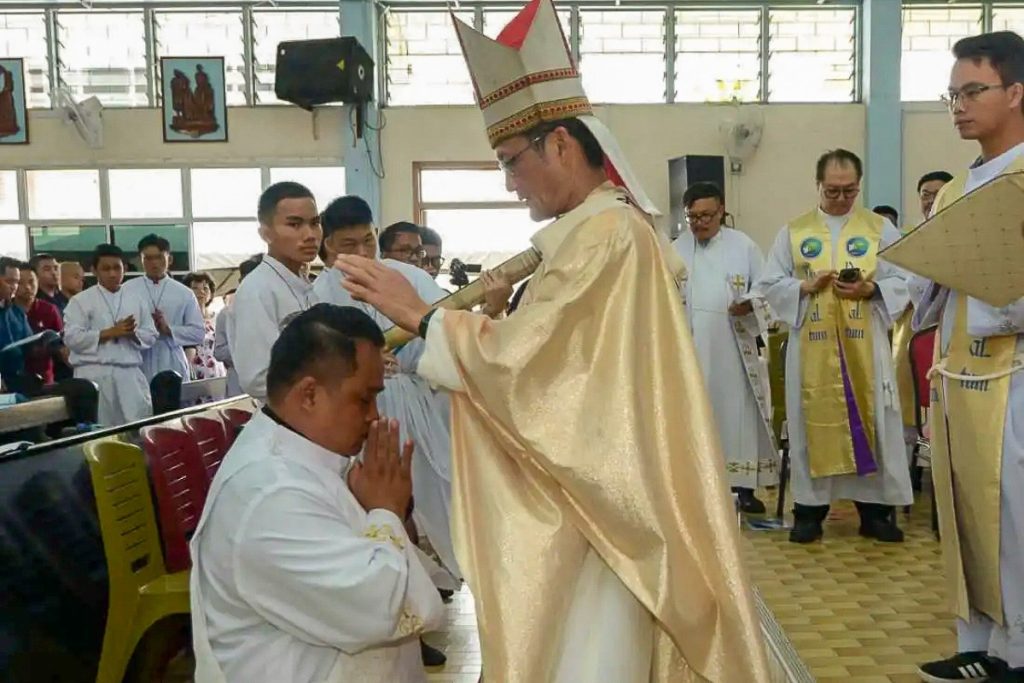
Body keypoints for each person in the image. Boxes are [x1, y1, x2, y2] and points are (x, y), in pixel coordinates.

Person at [337, 1, 769, 679]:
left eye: (512, 161)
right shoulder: (596, 236)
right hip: (587, 499)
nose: (511, 184)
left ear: (562, 145)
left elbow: (535, 373)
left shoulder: (607, 237)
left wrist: (424, 315)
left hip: (599, 514)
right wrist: (497, 323)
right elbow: (556, 363)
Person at [190, 304, 444, 683]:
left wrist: (387, 510)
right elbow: (379, 611)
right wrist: (386, 511)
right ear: (309, 394)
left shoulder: (313, 460)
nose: (374, 415)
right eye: (364, 398)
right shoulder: (269, 493)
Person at [911, 31, 1024, 683]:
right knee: (962, 508)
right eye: (951, 94)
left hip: (1012, 377)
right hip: (957, 376)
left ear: (1015, 92)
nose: (957, 104)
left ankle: (1018, 647)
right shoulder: (956, 189)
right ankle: (978, 638)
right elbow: (936, 287)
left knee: (1013, 511)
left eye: (971, 90)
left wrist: (986, 292)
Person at [756, 149, 913, 544]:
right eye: (833, 191)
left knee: (871, 417)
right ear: (818, 186)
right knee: (812, 421)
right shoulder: (794, 232)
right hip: (812, 348)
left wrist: (871, 288)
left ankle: (875, 511)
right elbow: (768, 283)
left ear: (859, 186)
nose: (841, 199)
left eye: (849, 191)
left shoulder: (879, 229)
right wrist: (803, 287)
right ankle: (810, 509)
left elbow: (909, 280)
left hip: (865, 348)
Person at [315, 196, 459, 581]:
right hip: (364, 410)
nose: (362, 253)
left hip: (416, 400)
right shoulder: (322, 293)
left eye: (368, 241)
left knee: (433, 495)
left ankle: (435, 579)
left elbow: (444, 327)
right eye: (349, 245)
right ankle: (398, 580)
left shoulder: (406, 277)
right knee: (379, 502)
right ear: (328, 244)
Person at [671, 181, 778, 514]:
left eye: (707, 215)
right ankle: (695, 487)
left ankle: (743, 487)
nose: (700, 223)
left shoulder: (742, 246)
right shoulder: (675, 249)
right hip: (688, 348)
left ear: (722, 212)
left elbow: (766, 288)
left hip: (732, 348)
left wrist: (750, 305)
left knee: (736, 416)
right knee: (693, 416)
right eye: (692, 217)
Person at [229, 182, 321, 402]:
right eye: (295, 224)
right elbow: (259, 378)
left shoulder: (304, 286)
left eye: (315, 223)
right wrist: (328, 385)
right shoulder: (257, 290)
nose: (310, 235)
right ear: (266, 233)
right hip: (289, 419)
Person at [63, 244, 157, 426]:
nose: (112, 274)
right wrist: (109, 333)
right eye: (106, 269)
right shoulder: (81, 301)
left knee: (135, 430)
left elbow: (151, 334)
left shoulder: (136, 299)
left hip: (129, 374)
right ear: (94, 270)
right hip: (94, 374)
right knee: (101, 432)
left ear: (125, 269)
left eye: (117, 268)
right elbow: (72, 338)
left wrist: (132, 334)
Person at [122, 234, 205, 383]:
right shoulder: (127, 289)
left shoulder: (184, 292)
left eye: (159, 257)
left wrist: (169, 329)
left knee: (174, 404)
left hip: (171, 356)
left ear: (169, 259)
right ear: (140, 260)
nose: (154, 263)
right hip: (138, 357)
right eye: (148, 258)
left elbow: (198, 333)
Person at [215, 256, 262, 398]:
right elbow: (219, 351)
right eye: (246, 281)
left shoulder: (273, 308)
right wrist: (245, 351)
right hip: (238, 381)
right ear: (240, 282)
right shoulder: (226, 314)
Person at [14, 262, 64, 385]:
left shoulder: (49, 310)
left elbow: (62, 344)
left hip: (44, 380)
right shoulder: (6, 310)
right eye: (20, 283)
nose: (27, 287)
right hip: (13, 379)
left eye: (31, 282)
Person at [183, 271, 225, 381]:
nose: (201, 291)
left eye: (205, 288)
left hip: (216, 370)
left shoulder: (218, 318)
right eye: (195, 288)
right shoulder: (183, 318)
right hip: (193, 371)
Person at [0, 256, 33, 384]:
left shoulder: (17, 312)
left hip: (17, 379)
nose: (14, 287)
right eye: (9, 281)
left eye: (17, 282)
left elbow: (28, 343)